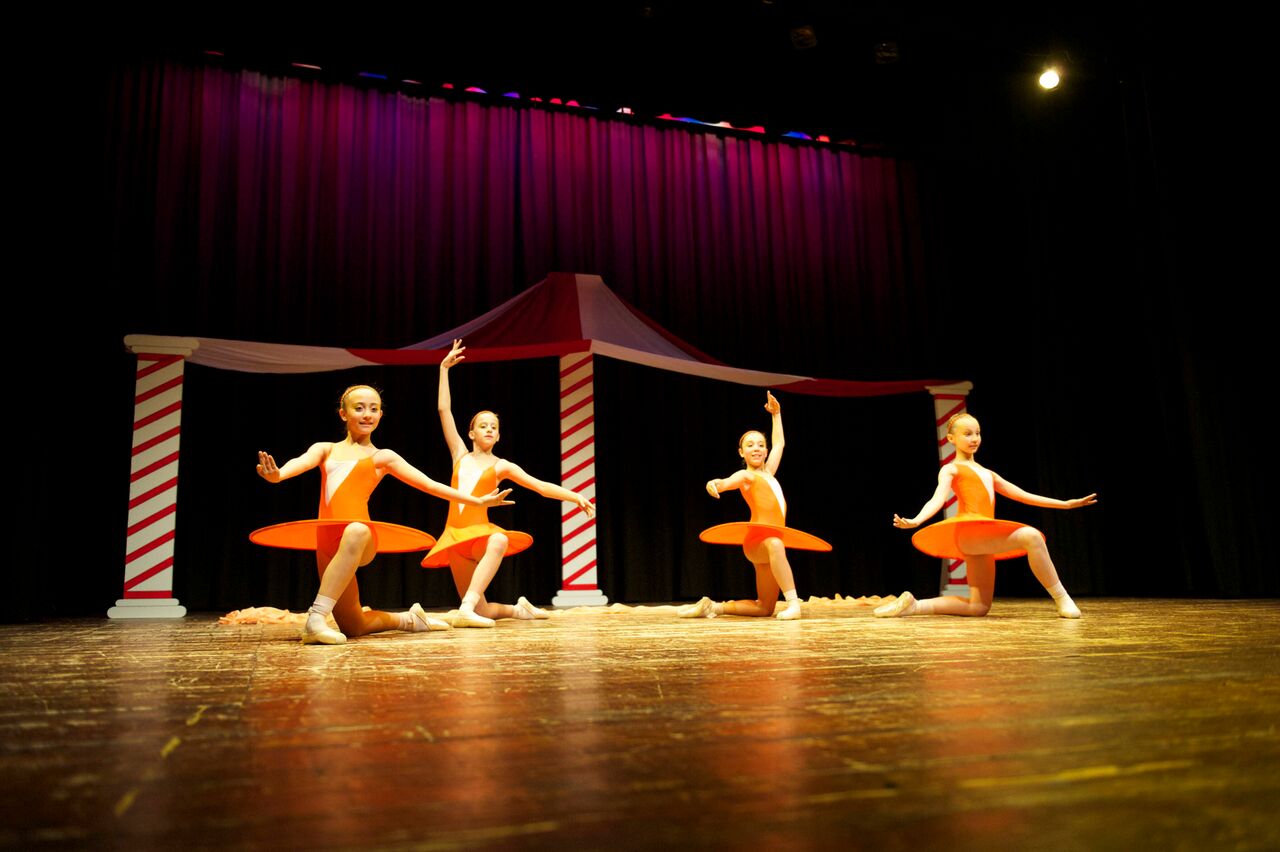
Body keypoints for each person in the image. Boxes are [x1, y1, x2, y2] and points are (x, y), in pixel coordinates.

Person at [252, 384, 512, 645]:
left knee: (356, 529)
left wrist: (476, 500)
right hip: (327, 542)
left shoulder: (382, 457)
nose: (367, 414)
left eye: (374, 409)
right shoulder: (325, 449)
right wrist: (278, 475)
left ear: (380, 415)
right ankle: (408, 620)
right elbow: (300, 462)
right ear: (343, 414)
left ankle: (316, 617)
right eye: (359, 408)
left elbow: (429, 485)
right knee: (354, 626)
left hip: (361, 538)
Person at [421, 340, 596, 627]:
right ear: (471, 433)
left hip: (479, 536)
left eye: (494, 427)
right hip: (454, 538)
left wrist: (574, 495)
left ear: (499, 436)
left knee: (499, 539)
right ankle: (519, 610)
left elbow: (540, 486)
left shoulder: (501, 466)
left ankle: (465, 608)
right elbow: (444, 410)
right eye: (483, 426)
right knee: (483, 610)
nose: (489, 429)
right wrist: (444, 370)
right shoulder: (459, 455)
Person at [878, 412, 1096, 619]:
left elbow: (1022, 495)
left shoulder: (987, 473)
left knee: (978, 607)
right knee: (1032, 537)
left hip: (981, 536)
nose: (974, 438)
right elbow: (938, 498)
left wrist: (1065, 504)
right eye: (967, 434)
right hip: (971, 532)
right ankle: (1062, 598)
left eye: (977, 433)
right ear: (951, 438)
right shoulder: (951, 469)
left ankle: (915, 606)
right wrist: (916, 520)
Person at [680, 391, 830, 621]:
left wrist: (776, 414)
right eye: (750, 445)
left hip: (771, 543)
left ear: (766, 451)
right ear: (742, 452)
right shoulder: (746, 476)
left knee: (764, 608)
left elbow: (780, 443)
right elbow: (728, 481)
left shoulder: (769, 473)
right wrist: (716, 484)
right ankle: (794, 604)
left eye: (761, 444)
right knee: (776, 543)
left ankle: (713, 607)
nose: (757, 448)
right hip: (758, 541)